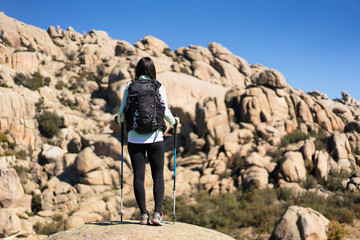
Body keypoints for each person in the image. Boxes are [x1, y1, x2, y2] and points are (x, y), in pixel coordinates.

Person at [115, 57, 178, 226]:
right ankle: (158, 214)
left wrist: (118, 119)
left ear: (137, 71)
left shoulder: (130, 87)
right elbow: (164, 110)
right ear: (152, 71)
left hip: (134, 139)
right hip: (155, 137)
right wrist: (174, 122)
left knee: (139, 177)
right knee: (158, 176)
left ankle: (143, 215)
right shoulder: (158, 86)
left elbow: (121, 114)